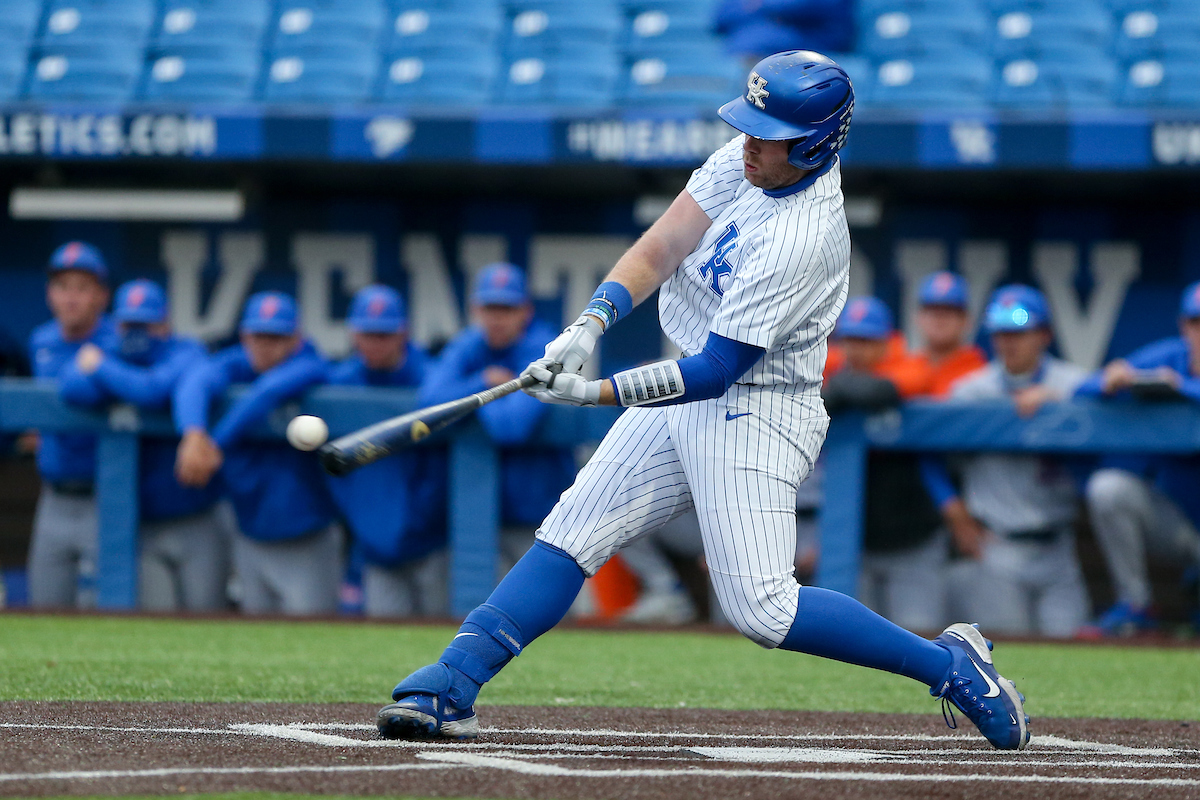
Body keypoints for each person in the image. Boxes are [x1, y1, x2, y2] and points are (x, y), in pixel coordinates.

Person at [377, 51, 1029, 752]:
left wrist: (592, 393)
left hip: (756, 410)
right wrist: (590, 322)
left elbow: (717, 369)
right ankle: (452, 682)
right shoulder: (747, 160)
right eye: (749, 125)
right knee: (572, 531)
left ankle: (954, 669)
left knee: (764, 611)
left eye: (768, 132)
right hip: (686, 388)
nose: (749, 141)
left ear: (813, 144)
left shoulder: (802, 236)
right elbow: (663, 245)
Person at [58, 279, 229, 612]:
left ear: (164, 323)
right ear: (117, 324)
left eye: (145, 323)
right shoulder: (109, 349)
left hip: (197, 515)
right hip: (143, 523)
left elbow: (153, 390)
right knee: (155, 623)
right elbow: (73, 389)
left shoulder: (185, 351)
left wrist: (104, 370)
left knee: (210, 620)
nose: (136, 332)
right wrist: (114, 371)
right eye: (129, 323)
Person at [932, 285, 1089, 638]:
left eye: (1019, 332)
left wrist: (1062, 403)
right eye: (1001, 333)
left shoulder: (1074, 384)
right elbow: (927, 453)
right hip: (997, 545)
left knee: (1073, 654)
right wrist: (953, 510)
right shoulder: (971, 390)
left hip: (1059, 545)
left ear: (1044, 335)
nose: (1008, 342)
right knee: (1007, 652)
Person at [174, 291, 338, 615]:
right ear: (245, 335)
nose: (266, 345)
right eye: (259, 335)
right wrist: (193, 434)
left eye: (277, 337)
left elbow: (269, 390)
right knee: (256, 644)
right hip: (249, 535)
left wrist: (214, 445)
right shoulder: (236, 363)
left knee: (316, 645)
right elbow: (194, 382)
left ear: (296, 338)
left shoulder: (311, 364)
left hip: (306, 539)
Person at [417, 263, 574, 574]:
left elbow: (510, 428)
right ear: (476, 309)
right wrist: (484, 382)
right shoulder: (469, 346)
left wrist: (476, 397)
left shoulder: (547, 349)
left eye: (507, 308)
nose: (497, 318)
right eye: (490, 308)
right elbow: (428, 402)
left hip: (545, 518)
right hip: (483, 516)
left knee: (551, 616)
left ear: (525, 311)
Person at [1075, 281, 1200, 636]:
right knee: (1109, 488)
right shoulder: (1170, 356)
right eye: (1196, 322)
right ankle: (1136, 604)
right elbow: (1082, 390)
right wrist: (1111, 380)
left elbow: (1181, 386)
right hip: (1181, 524)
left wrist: (1180, 389)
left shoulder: (1175, 375)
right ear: (1184, 326)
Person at [823, 297, 946, 632]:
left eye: (868, 341)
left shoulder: (912, 364)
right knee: (851, 640)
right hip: (853, 542)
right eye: (852, 340)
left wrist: (837, 389)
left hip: (913, 538)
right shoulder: (829, 364)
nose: (858, 350)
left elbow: (882, 391)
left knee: (918, 632)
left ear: (888, 341)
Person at [326, 285, 448, 618]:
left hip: (434, 542)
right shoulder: (340, 382)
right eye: (368, 333)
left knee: (443, 638)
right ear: (353, 334)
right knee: (384, 639)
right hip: (374, 547)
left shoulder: (432, 377)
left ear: (403, 332)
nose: (375, 342)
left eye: (384, 333)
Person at [26, 241, 119, 609]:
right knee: (45, 603)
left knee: (105, 610)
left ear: (100, 295)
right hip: (53, 495)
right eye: (63, 287)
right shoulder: (41, 340)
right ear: (50, 294)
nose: (71, 298)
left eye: (82, 288)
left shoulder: (115, 339)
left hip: (105, 495)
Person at [912, 272, 988, 398]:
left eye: (949, 311)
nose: (939, 318)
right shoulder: (904, 370)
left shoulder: (981, 374)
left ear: (966, 320)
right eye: (933, 310)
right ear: (918, 318)